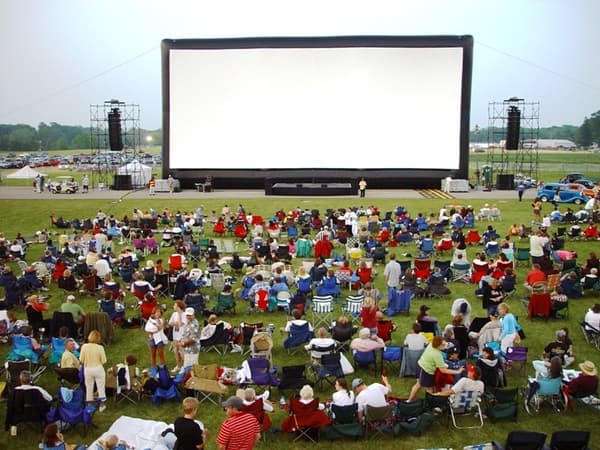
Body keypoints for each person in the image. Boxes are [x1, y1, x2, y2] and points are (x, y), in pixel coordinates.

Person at [407, 336, 465, 401]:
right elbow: (443, 370)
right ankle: (426, 404)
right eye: (443, 345)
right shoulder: (437, 355)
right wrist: (458, 371)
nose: (444, 346)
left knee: (419, 385)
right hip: (426, 370)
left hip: (421, 365)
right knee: (428, 389)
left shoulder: (431, 344)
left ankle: (410, 400)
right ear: (438, 345)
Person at [79, 329, 107, 412]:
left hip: (88, 369)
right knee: (100, 387)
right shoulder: (100, 347)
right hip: (98, 368)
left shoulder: (84, 346)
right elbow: (104, 360)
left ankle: (89, 405)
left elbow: (81, 359)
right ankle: (102, 405)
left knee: (89, 387)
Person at [145, 306, 168, 370]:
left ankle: (163, 368)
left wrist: (153, 330)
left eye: (159, 312)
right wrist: (152, 331)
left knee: (161, 354)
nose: (158, 313)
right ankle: (154, 368)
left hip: (159, 339)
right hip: (152, 339)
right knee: (153, 355)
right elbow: (147, 329)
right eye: (156, 312)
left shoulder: (161, 320)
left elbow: (159, 328)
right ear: (154, 313)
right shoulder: (150, 320)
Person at [168, 300, 187, 374]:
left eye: (175, 305)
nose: (173, 306)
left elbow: (180, 324)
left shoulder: (184, 315)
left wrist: (179, 316)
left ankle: (184, 366)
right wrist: (175, 323)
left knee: (181, 351)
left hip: (182, 335)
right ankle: (178, 365)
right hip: (175, 334)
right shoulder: (174, 314)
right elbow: (170, 323)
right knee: (175, 350)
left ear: (179, 307)